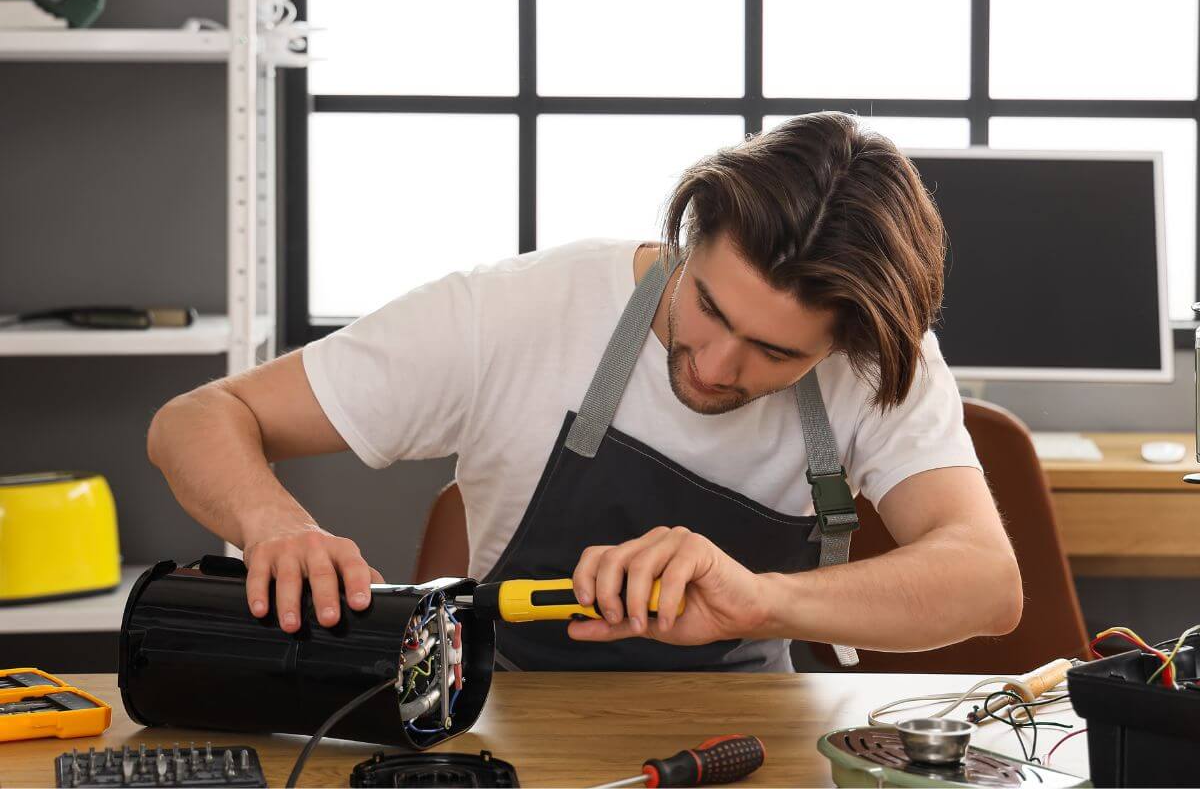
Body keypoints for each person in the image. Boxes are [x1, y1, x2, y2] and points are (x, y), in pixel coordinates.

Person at [148, 111, 1022, 672]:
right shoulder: (515, 312)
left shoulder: (879, 358)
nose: (716, 367)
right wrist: (277, 526)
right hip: (510, 721)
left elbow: (987, 583)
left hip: (752, 731)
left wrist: (761, 601)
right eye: (708, 308)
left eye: (774, 352)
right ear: (687, 237)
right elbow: (200, 417)